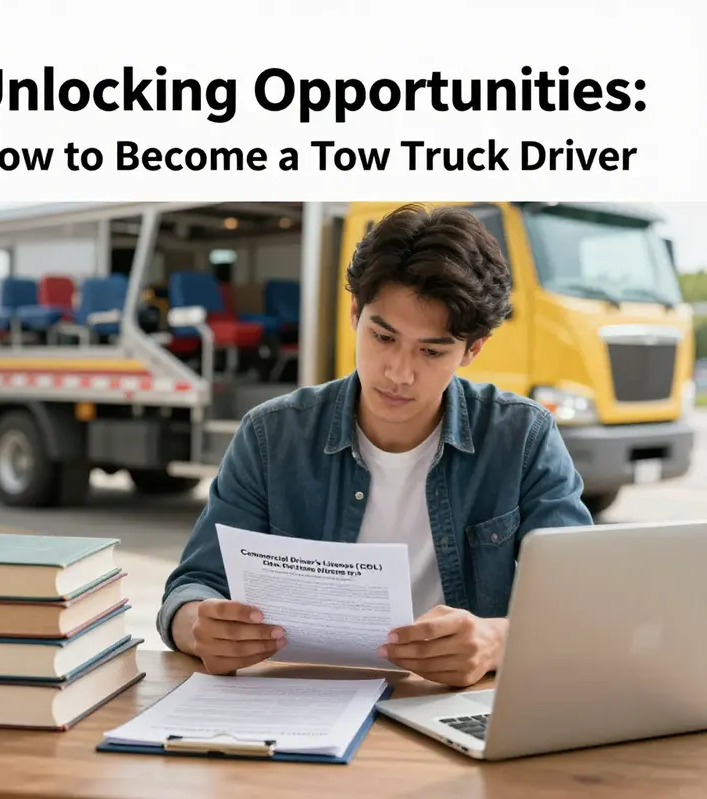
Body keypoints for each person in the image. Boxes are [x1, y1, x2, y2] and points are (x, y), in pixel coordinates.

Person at [156, 203, 593, 687]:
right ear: (354, 314)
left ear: (473, 349)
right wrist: (197, 626)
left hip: (453, 706)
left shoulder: (522, 437)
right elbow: (191, 587)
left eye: (431, 350)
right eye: (383, 336)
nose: (398, 374)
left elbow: (579, 605)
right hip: (306, 700)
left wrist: (496, 642)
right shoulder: (271, 435)